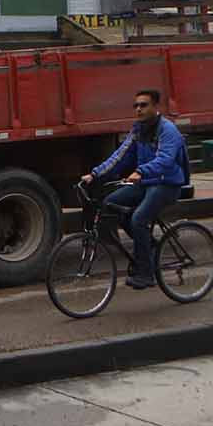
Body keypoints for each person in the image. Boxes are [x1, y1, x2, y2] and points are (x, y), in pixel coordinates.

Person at [83, 89, 188, 289]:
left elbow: (165, 160)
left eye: (144, 105)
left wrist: (141, 171)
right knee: (111, 204)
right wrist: (95, 174)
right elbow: (120, 156)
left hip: (166, 184)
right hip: (146, 182)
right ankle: (150, 247)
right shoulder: (138, 129)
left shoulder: (168, 130)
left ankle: (146, 274)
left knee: (139, 219)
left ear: (156, 107)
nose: (138, 109)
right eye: (136, 106)